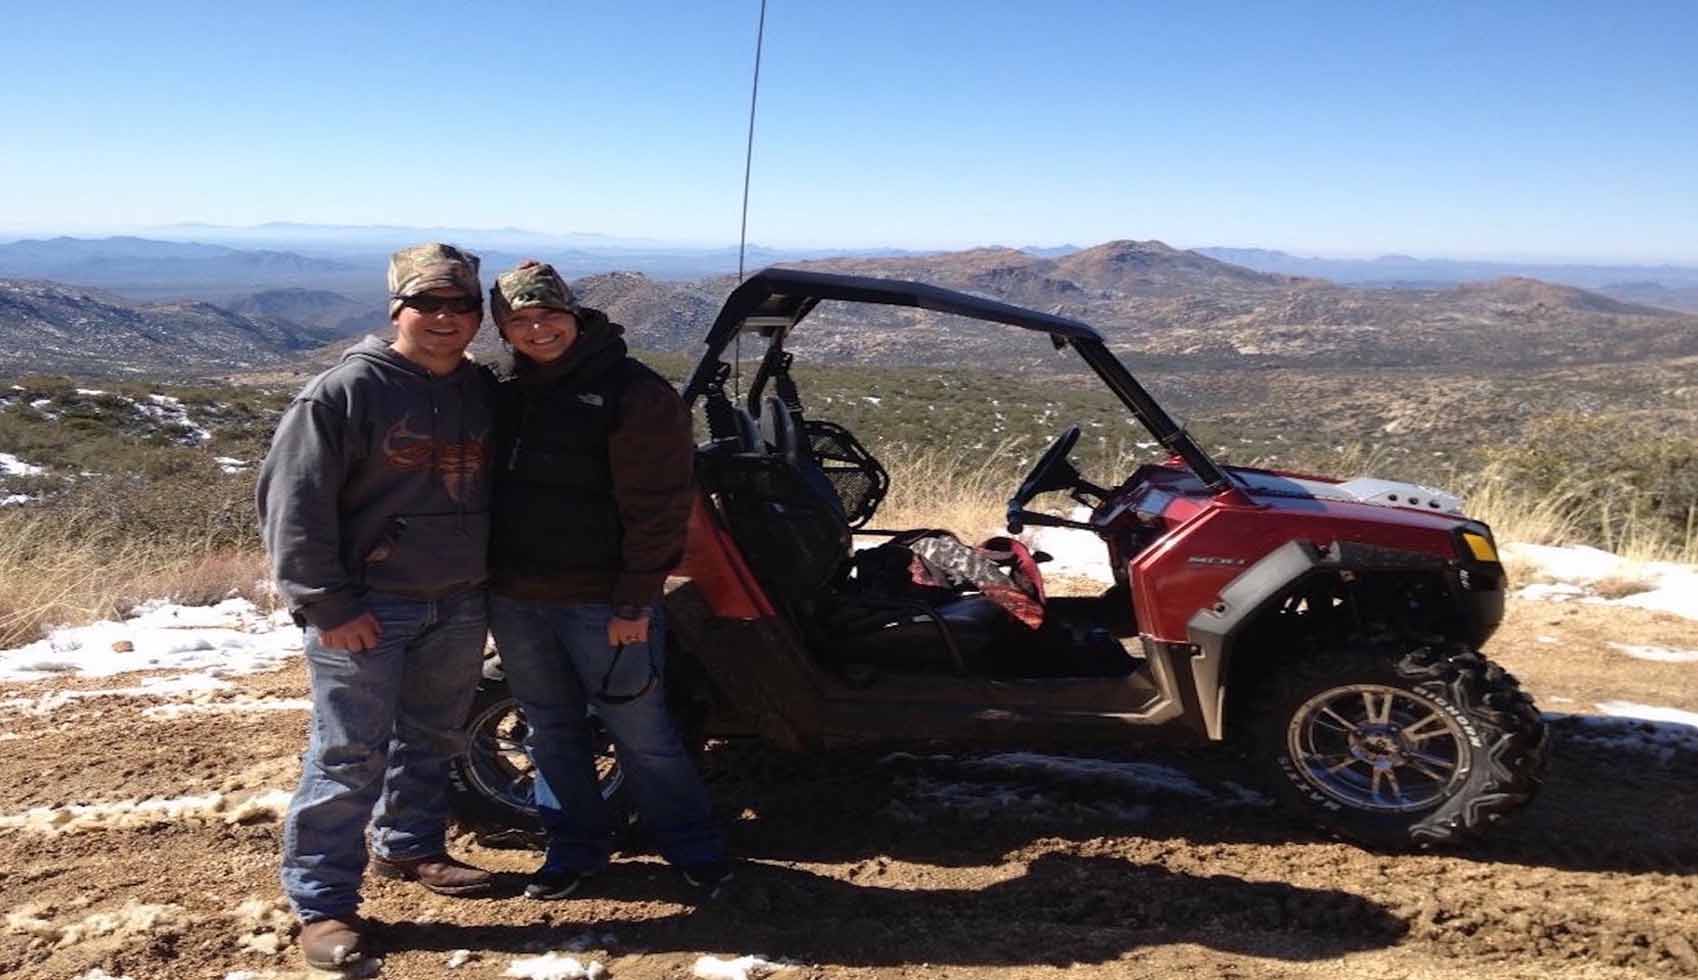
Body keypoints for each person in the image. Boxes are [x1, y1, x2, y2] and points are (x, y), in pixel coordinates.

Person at [257, 243, 497, 970]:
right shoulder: (343, 393)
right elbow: (290, 509)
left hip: (458, 598)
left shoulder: (482, 390)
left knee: (433, 737)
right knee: (347, 755)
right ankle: (322, 906)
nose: (445, 318)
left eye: (461, 306)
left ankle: (410, 846)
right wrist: (328, 605)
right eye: (429, 304)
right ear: (398, 310)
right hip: (368, 607)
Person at [483, 259, 729, 900]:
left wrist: (635, 600)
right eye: (521, 321)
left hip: (602, 602)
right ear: (504, 330)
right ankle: (574, 851)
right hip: (517, 598)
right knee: (550, 729)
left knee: (641, 731)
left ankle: (693, 847)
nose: (539, 330)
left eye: (549, 315)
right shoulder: (505, 392)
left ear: (575, 315)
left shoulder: (632, 392)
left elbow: (659, 510)